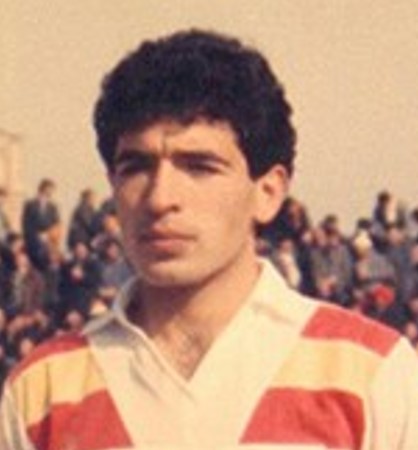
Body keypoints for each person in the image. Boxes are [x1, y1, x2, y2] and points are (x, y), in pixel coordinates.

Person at [1, 29, 418, 450]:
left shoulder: (372, 373)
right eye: (136, 167)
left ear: (268, 192)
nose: (160, 198)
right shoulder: (41, 390)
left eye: (199, 167)